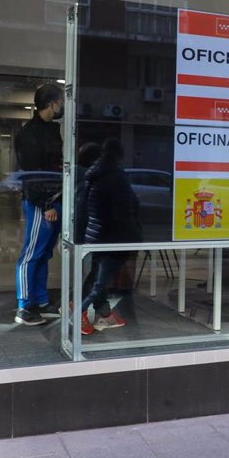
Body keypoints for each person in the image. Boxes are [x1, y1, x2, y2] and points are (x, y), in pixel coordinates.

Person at [79, 138, 142, 335]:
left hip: (97, 233)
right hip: (111, 236)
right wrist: (132, 236)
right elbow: (123, 212)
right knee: (99, 279)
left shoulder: (96, 175)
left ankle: (102, 314)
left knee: (98, 275)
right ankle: (77, 310)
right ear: (120, 156)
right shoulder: (115, 177)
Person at [14, 83, 64, 326]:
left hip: (52, 201)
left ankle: (42, 301)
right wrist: (46, 205)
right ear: (51, 103)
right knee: (31, 255)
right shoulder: (29, 133)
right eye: (61, 101)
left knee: (43, 254)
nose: (63, 105)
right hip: (40, 203)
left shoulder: (51, 131)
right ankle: (24, 307)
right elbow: (33, 175)